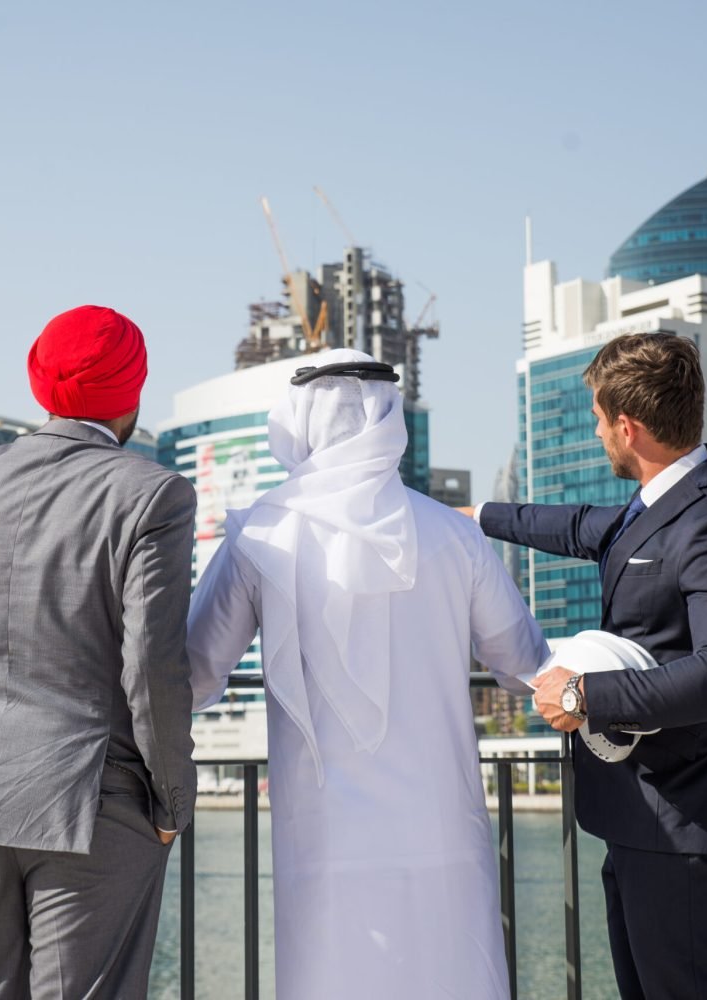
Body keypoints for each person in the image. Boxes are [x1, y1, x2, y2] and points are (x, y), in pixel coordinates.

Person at [186, 348, 550, 1000]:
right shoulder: (456, 535)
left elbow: (193, 671)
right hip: (441, 834)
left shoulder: (260, 534)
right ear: (388, 415)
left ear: (301, 418)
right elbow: (526, 665)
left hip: (325, 837)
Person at [0, 305, 197, 1000]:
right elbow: (151, 666)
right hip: (93, 800)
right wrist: (171, 801)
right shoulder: (153, 494)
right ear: (133, 393)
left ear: (39, 384)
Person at [461, 332, 707, 999]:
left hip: (683, 825)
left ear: (628, 428)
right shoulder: (652, 508)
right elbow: (574, 525)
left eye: (600, 420)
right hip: (639, 818)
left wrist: (581, 695)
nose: (597, 431)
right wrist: (470, 517)